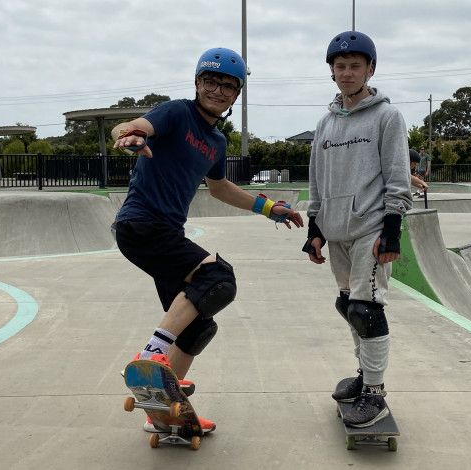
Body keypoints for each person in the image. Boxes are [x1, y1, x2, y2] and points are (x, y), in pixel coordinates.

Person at [111, 47, 303, 434]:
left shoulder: (217, 142)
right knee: (218, 278)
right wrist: (129, 136)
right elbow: (131, 126)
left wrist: (269, 209)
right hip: (141, 225)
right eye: (210, 81)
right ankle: (153, 355)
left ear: (237, 94)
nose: (217, 90)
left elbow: (219, 188)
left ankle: (164, 412)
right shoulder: (177, 113)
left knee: (198, 328)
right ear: (197, 83)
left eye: (227, 85)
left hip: (165, 234)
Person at [303, 31, 412, 428]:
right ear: (331, 71)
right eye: (340, 66)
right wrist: (314, 227)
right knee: (349, 307)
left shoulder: (387, 116)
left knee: (367, 309)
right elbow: (318, 181)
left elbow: (399, 176)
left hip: (371, 227)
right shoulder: (325, 123)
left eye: (355, 66)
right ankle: (364, 374)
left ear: (370, 69)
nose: (347, 73)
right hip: (335, 230)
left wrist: (392, 229)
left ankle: (375, 393)